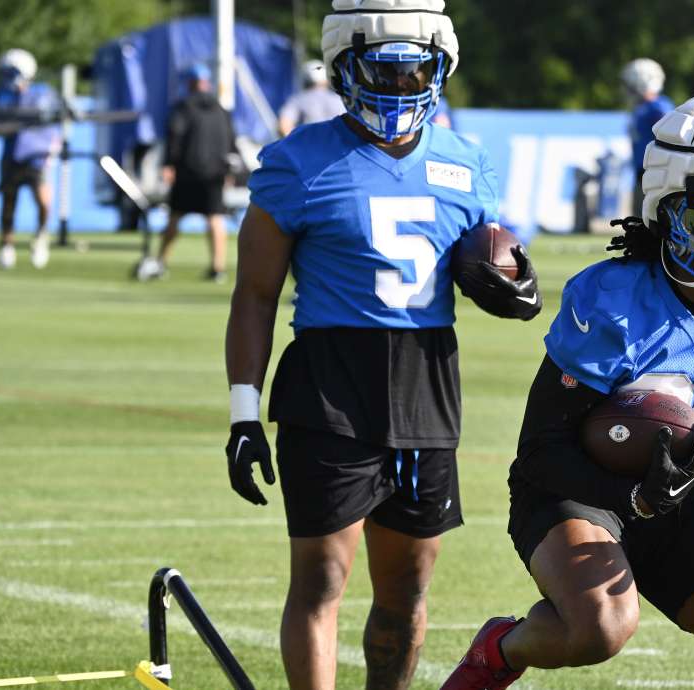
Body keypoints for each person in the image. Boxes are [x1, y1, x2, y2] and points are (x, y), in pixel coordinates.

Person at [442, 92, 694, 690]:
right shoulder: (613, 300)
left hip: (680, 491)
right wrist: (632, 500)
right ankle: (501, 648)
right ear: (669, 212)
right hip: (574, 491)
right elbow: (542, 451)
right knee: (601, 627)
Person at [223, 1, 541, 688]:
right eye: (383, 70)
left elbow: (492, 262)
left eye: (414, 71)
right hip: (330, 383)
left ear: (439, 69)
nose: (400, 87)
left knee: (407, 590)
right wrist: (243, 414)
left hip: (427, 382)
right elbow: (254, 296)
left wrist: (515, 285)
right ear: (345, 68)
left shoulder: (468, 165)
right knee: (322, 578)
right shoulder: (297, 162)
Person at [156, 63, 236, 282]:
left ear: (190, 83)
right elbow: (231, 141)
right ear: (206, 82)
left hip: (187, 171)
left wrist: (168, 164)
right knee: (215, 218)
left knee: (174, 218)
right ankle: (217, 268)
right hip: (215, 173)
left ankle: (160, 263)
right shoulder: (221, 109)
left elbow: (175, 136)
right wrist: (228, 170)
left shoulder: (183, 107)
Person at [0, 48, 60, 270]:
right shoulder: (3, 95)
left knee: (43, 201)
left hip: (36, 156)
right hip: (12, 155)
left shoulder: (43, 93)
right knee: (9, 202)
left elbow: (54, 121)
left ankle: (41, 237)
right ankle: (6, 245)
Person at [620, 58, 674, 216]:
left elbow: (673, 137)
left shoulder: (658, 107)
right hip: (642, 173)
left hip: (656, 174)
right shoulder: (641, 108)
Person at [278, 60, 347, 137]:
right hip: (338, 145)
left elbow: (284, 125)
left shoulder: (298, 99)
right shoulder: (338, 99)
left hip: (309, 145)